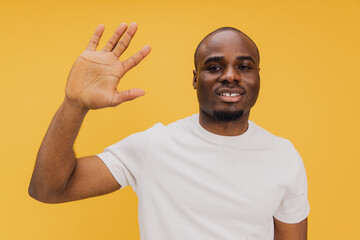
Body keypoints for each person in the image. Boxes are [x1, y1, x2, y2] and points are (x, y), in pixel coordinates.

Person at [29, 22, 310, 240]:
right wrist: (74, 104)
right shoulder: (155, 146)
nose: (230, 75)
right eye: (214, 66)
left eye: (244, 66)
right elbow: (48, 189)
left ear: (257, 76)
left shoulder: (283, 156)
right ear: (196, 78)